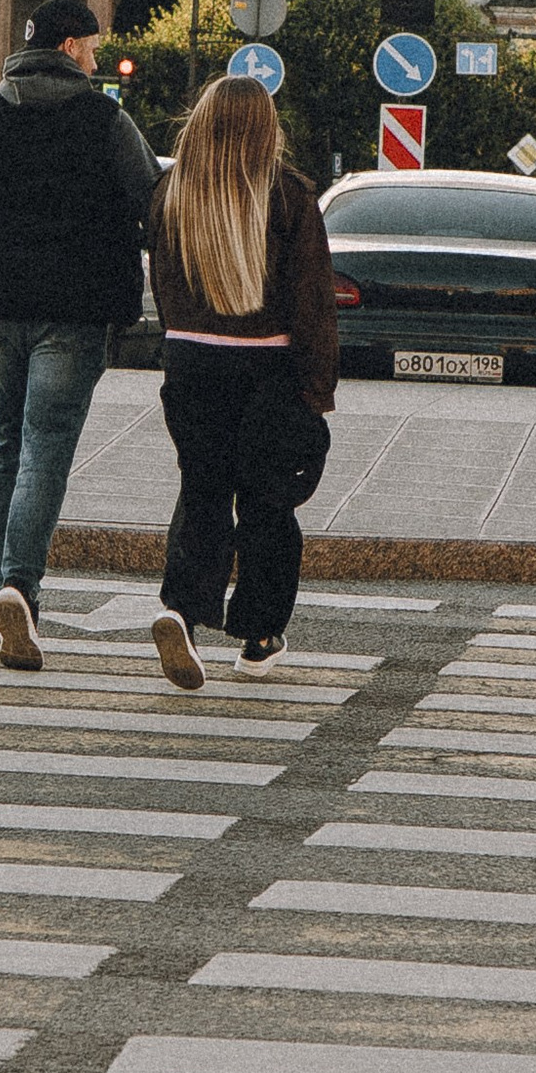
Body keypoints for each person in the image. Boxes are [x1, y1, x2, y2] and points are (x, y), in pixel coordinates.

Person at [0, 0, 158, 669]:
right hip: (76, 307)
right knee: (45, 450)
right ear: (67, 47)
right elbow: (149, 198)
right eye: (90, 44)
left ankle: (4, 603)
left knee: (6, 446)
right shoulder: (105, 119)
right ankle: (20, 588)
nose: (95, 54)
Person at [144, 74, 338, 688]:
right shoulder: (287, 198)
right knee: (267, 502)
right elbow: (312, 303)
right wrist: (317, 388)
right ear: (266, 129)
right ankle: (257, 634)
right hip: (268, 368)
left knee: (201, 491)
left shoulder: (170, 194)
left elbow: (164, 285)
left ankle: (181, 609)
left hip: (191, 363)